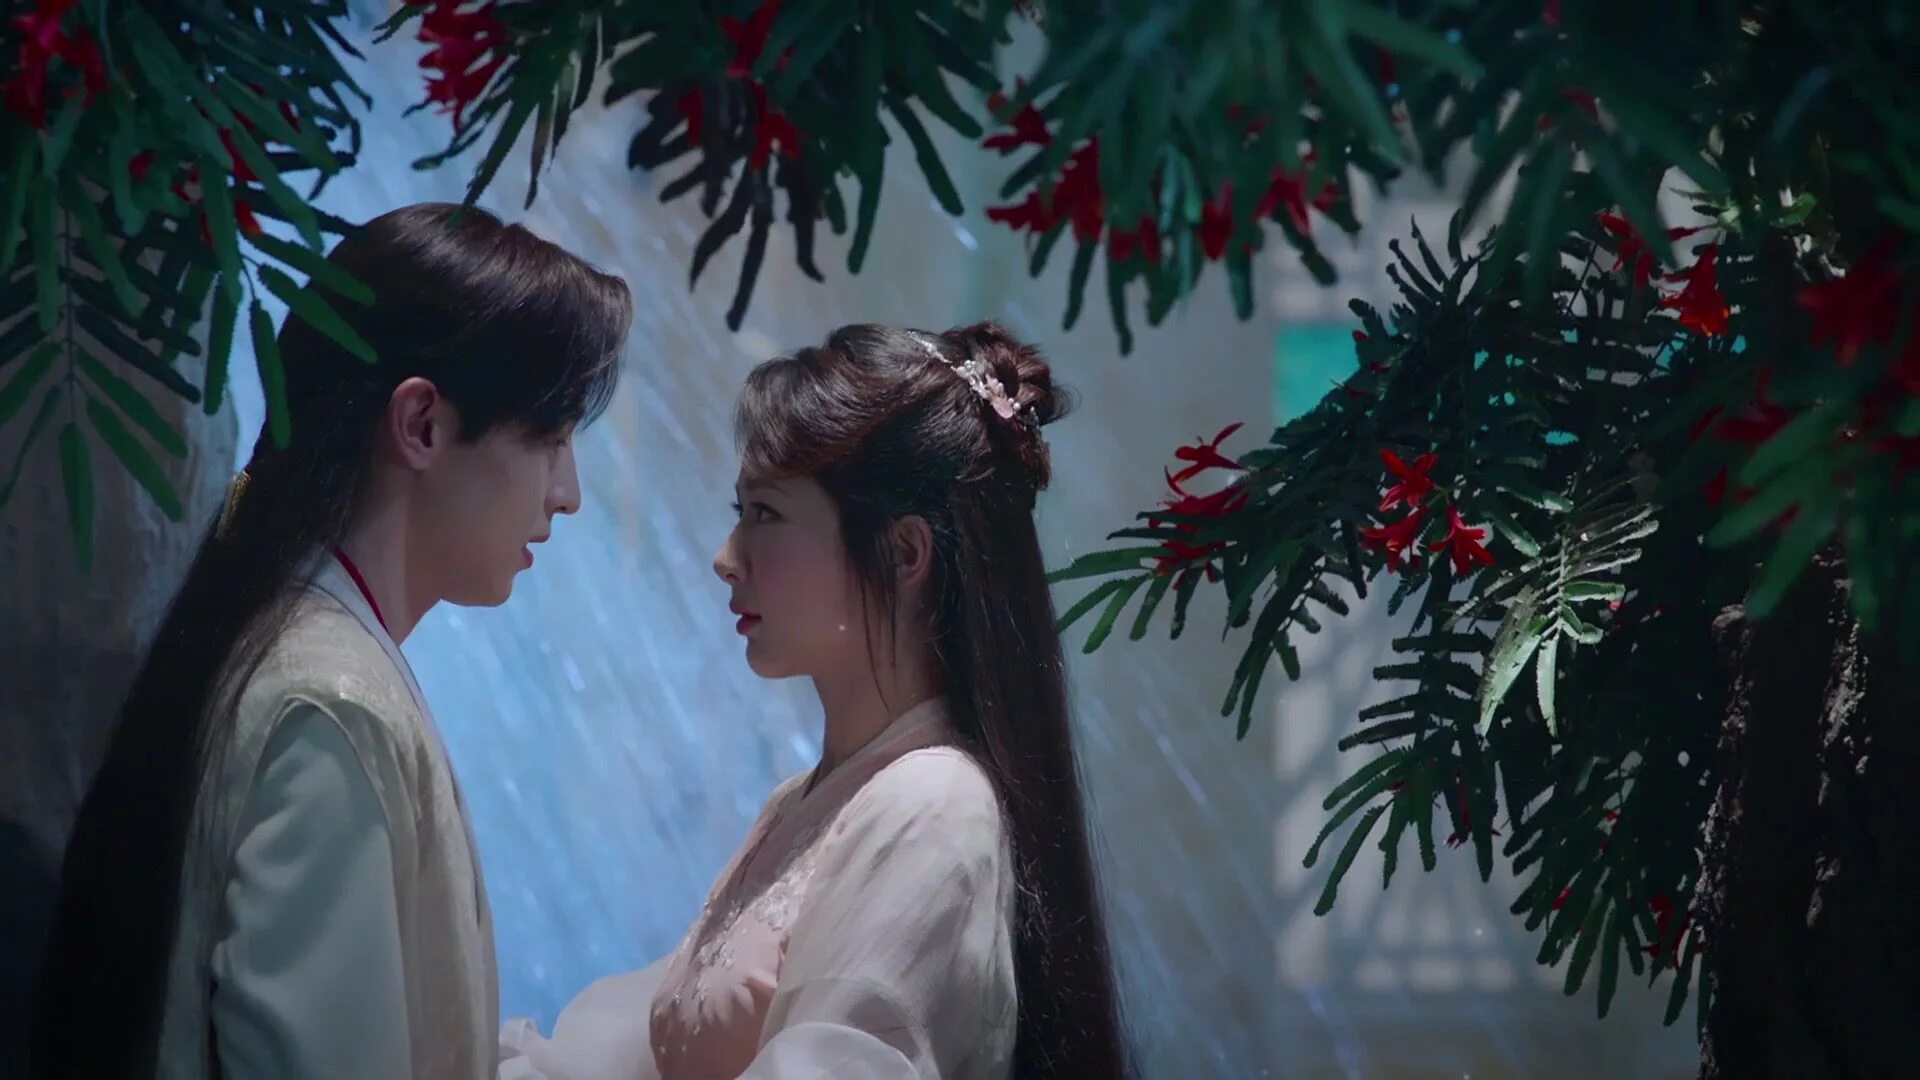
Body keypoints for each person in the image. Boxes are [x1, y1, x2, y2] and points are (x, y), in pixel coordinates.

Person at [29, 203, 633, 1079]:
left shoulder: (279, 636)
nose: (567, 492)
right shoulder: (331, 701)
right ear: (421, 424)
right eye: (551, 436)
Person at [498, 322, 1131, 1079]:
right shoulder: (806, 801)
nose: (726, 559)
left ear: (903, 553)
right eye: (739, 513)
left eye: (764, 514)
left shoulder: (934, 807)